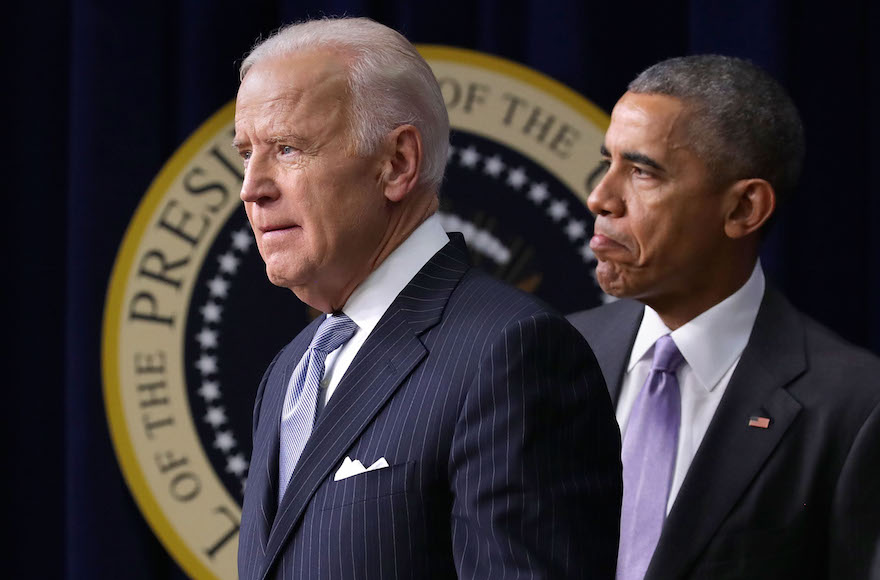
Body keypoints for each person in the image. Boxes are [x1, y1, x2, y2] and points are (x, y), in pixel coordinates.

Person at [233, 17, 621, 580]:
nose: (253, 187)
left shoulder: (510, 352)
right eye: (247, 153)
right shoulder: (291, 369)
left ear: (397, 163)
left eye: (288, 148)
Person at [569, 54, 880, 579]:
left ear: (743, 210)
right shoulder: (556, 353)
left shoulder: (856, 407)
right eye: (608, 163)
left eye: (642, 172)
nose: (600, 196)